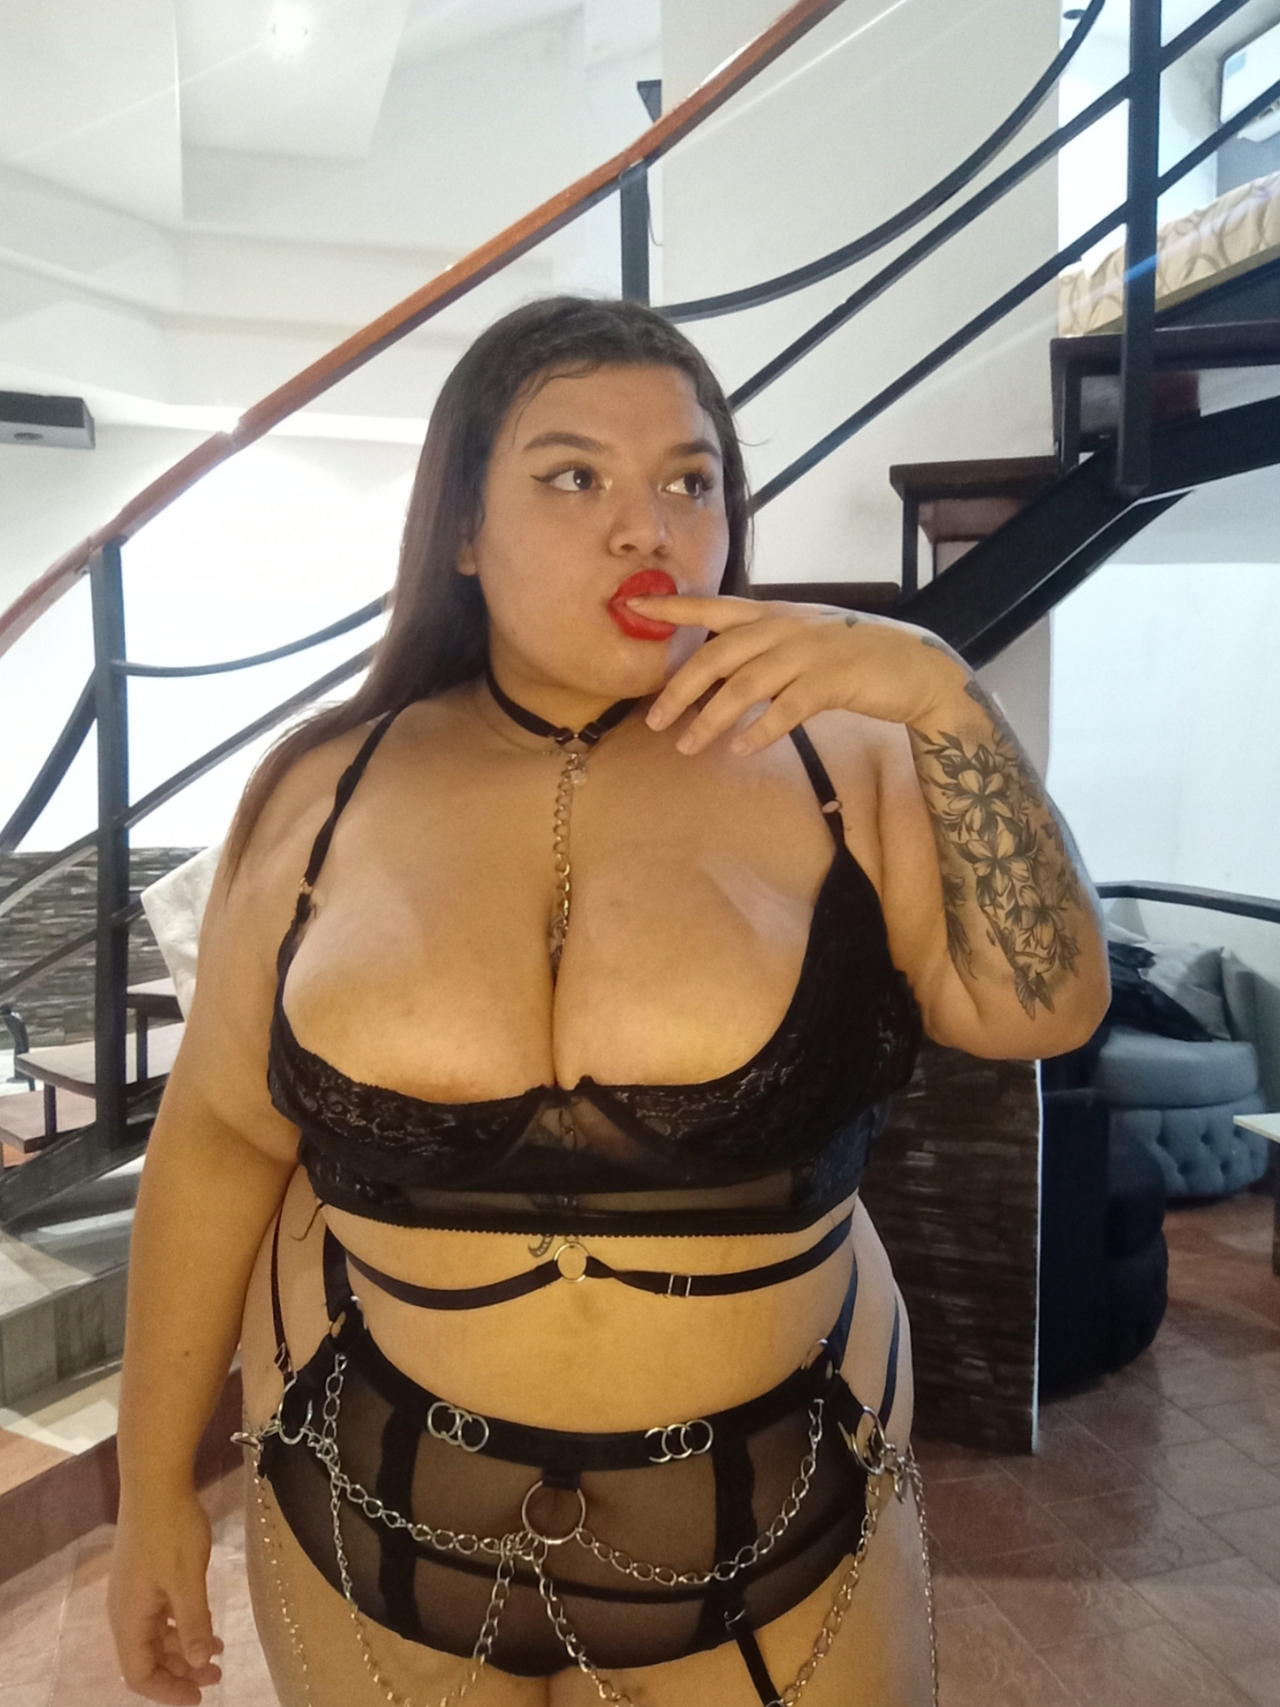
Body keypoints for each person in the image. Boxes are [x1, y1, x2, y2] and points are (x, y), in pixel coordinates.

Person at [107, 295, 1109, 1707]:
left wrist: (949, 700)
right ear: (463, 530)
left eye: (689, 482)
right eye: (575, 477)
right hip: (371, 1494)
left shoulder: (847, 760)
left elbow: (1042, 1010)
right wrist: (150, 1489)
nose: (649, 529)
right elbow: (218, 1140)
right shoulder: (321, 795)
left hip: (777, 1510)